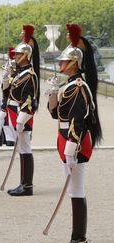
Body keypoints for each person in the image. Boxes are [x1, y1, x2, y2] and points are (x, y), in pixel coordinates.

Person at [47, 23, 102, 243]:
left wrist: (71, 149)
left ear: (74, 64)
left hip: (74, 142)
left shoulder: (77, 86)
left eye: (64, 61)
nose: (60, 63)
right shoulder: (68, 86)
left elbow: (77, 122)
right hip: (65, 140)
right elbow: (56, 115)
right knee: (72, 190)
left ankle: (79, 237)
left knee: (76, 189)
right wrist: (52, 94)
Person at [3, 25, 40, 196]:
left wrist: (21, 119)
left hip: (21, 113)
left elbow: (29, 99)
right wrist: (8, 75)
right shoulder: (20, 72)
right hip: (13, 110)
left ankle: (27, 185)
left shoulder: (29, 74)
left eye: (17, 54)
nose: (15, 56)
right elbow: (8, 90)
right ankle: (23, 182)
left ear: (25, 56)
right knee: (21, 149)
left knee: (25, 148)